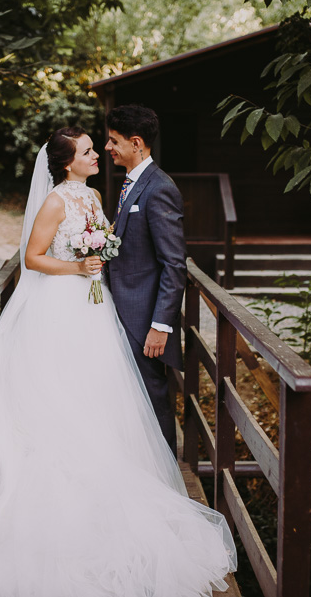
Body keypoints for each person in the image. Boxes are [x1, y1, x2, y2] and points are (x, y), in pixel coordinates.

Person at [0, 127, 236, 597]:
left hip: (93, 307)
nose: (97, 154)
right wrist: (79, 267)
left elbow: (105, 245)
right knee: (62, 389)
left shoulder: (95, 199)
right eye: (87, 151)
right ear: (67, 164)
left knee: (101, 389)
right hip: (60, 305)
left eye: (96, 148)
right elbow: (32, 258)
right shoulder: (56, 203)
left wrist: (99, 259)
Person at [104, 104, 186, 450]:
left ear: (135, 143)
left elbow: (174, 264)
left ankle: (165, 476)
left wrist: (160, 326)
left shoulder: (159, 188)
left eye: (113, 141)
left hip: (144, 321)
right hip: (122, 310)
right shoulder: (132, 184)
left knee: (153, 398)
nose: (108, 148)